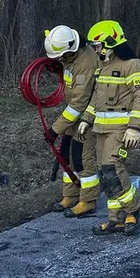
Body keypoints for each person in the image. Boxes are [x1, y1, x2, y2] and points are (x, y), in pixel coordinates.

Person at [78, 20, 140, 235]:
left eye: (98, 46)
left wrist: (135, 128)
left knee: (112, 168)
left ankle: (134, 209)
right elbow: (95, 99)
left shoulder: (132, 65)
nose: (95, 50)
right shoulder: (102, 67)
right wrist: (86, 119)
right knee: (104, 173)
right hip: (101, 129)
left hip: (121, 129)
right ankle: (116, 218)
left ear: (110, 43)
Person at [42, 25, 100, 218]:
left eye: (61, 57)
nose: (60, 61)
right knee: (66, 155)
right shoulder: (71, 57)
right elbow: (69, 76)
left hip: (85, 117)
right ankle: (70, 195)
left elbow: (79, 103)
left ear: (70, 50)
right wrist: (57, 66)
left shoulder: (86, 63)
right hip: (73, 116)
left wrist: (55, 129)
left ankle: (88, 200)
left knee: (81, 159)